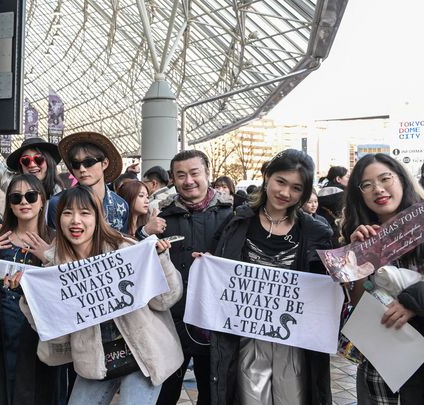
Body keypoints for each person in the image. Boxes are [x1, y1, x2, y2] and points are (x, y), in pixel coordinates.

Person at [20, 185, 183, 405]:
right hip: (95, 363)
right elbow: (57, 335)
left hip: (146, 357)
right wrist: (32, 298)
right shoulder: (55, 269)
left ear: (98, 218)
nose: (75, 220)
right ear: (59, 220)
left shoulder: (125, 249)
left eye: (84, 213)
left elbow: (166, 300)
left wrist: (161, 260)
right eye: (67, 213)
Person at [210, 149, 333, 405]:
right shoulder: (237, 223)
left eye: (296, 187)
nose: (285, 193)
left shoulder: (315, 232)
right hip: (246, 338)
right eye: (280, 181)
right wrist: (207, 265)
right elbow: (219, 272)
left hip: (295, 342)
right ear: (267, 177)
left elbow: (328, 286)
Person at [341, 153, 424, 404]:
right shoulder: (360, 238)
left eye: (385, 178)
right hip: (380, 364)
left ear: (401, 179)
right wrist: (357, 258)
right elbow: (357, 303)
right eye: (367, 185)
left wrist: (414, 301)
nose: (378, 189)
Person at [0, 174, 59, 404]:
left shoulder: (56, 240)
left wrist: (48, 257)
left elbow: (65, 290)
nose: (24, 202)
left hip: (39, 332)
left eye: (30, 196)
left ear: (42, 201)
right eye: (16, 197)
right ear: (9, 203)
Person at [156, 150, 233, 405]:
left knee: (212, 394)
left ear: (207, 174)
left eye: (194, 173)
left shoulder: (232, 215)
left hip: (214, 323)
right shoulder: (160, 219)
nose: (188, 180)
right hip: (170, 322)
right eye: (181, 175)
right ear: (173, 179)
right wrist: (144, 234)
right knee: (164, 393)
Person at [47, 132, 129, 232]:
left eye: (89, 162)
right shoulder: (58, 203)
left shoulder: (121, 205)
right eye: (76, 164)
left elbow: (124, 245)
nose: (82, 169)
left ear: (105, 163)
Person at [317, 165, 349, 242]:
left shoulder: (319, 194)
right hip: (338, 233)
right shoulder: (344, 195)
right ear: (338, 179)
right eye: (347, 177)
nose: (350, 179)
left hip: (320, 231)